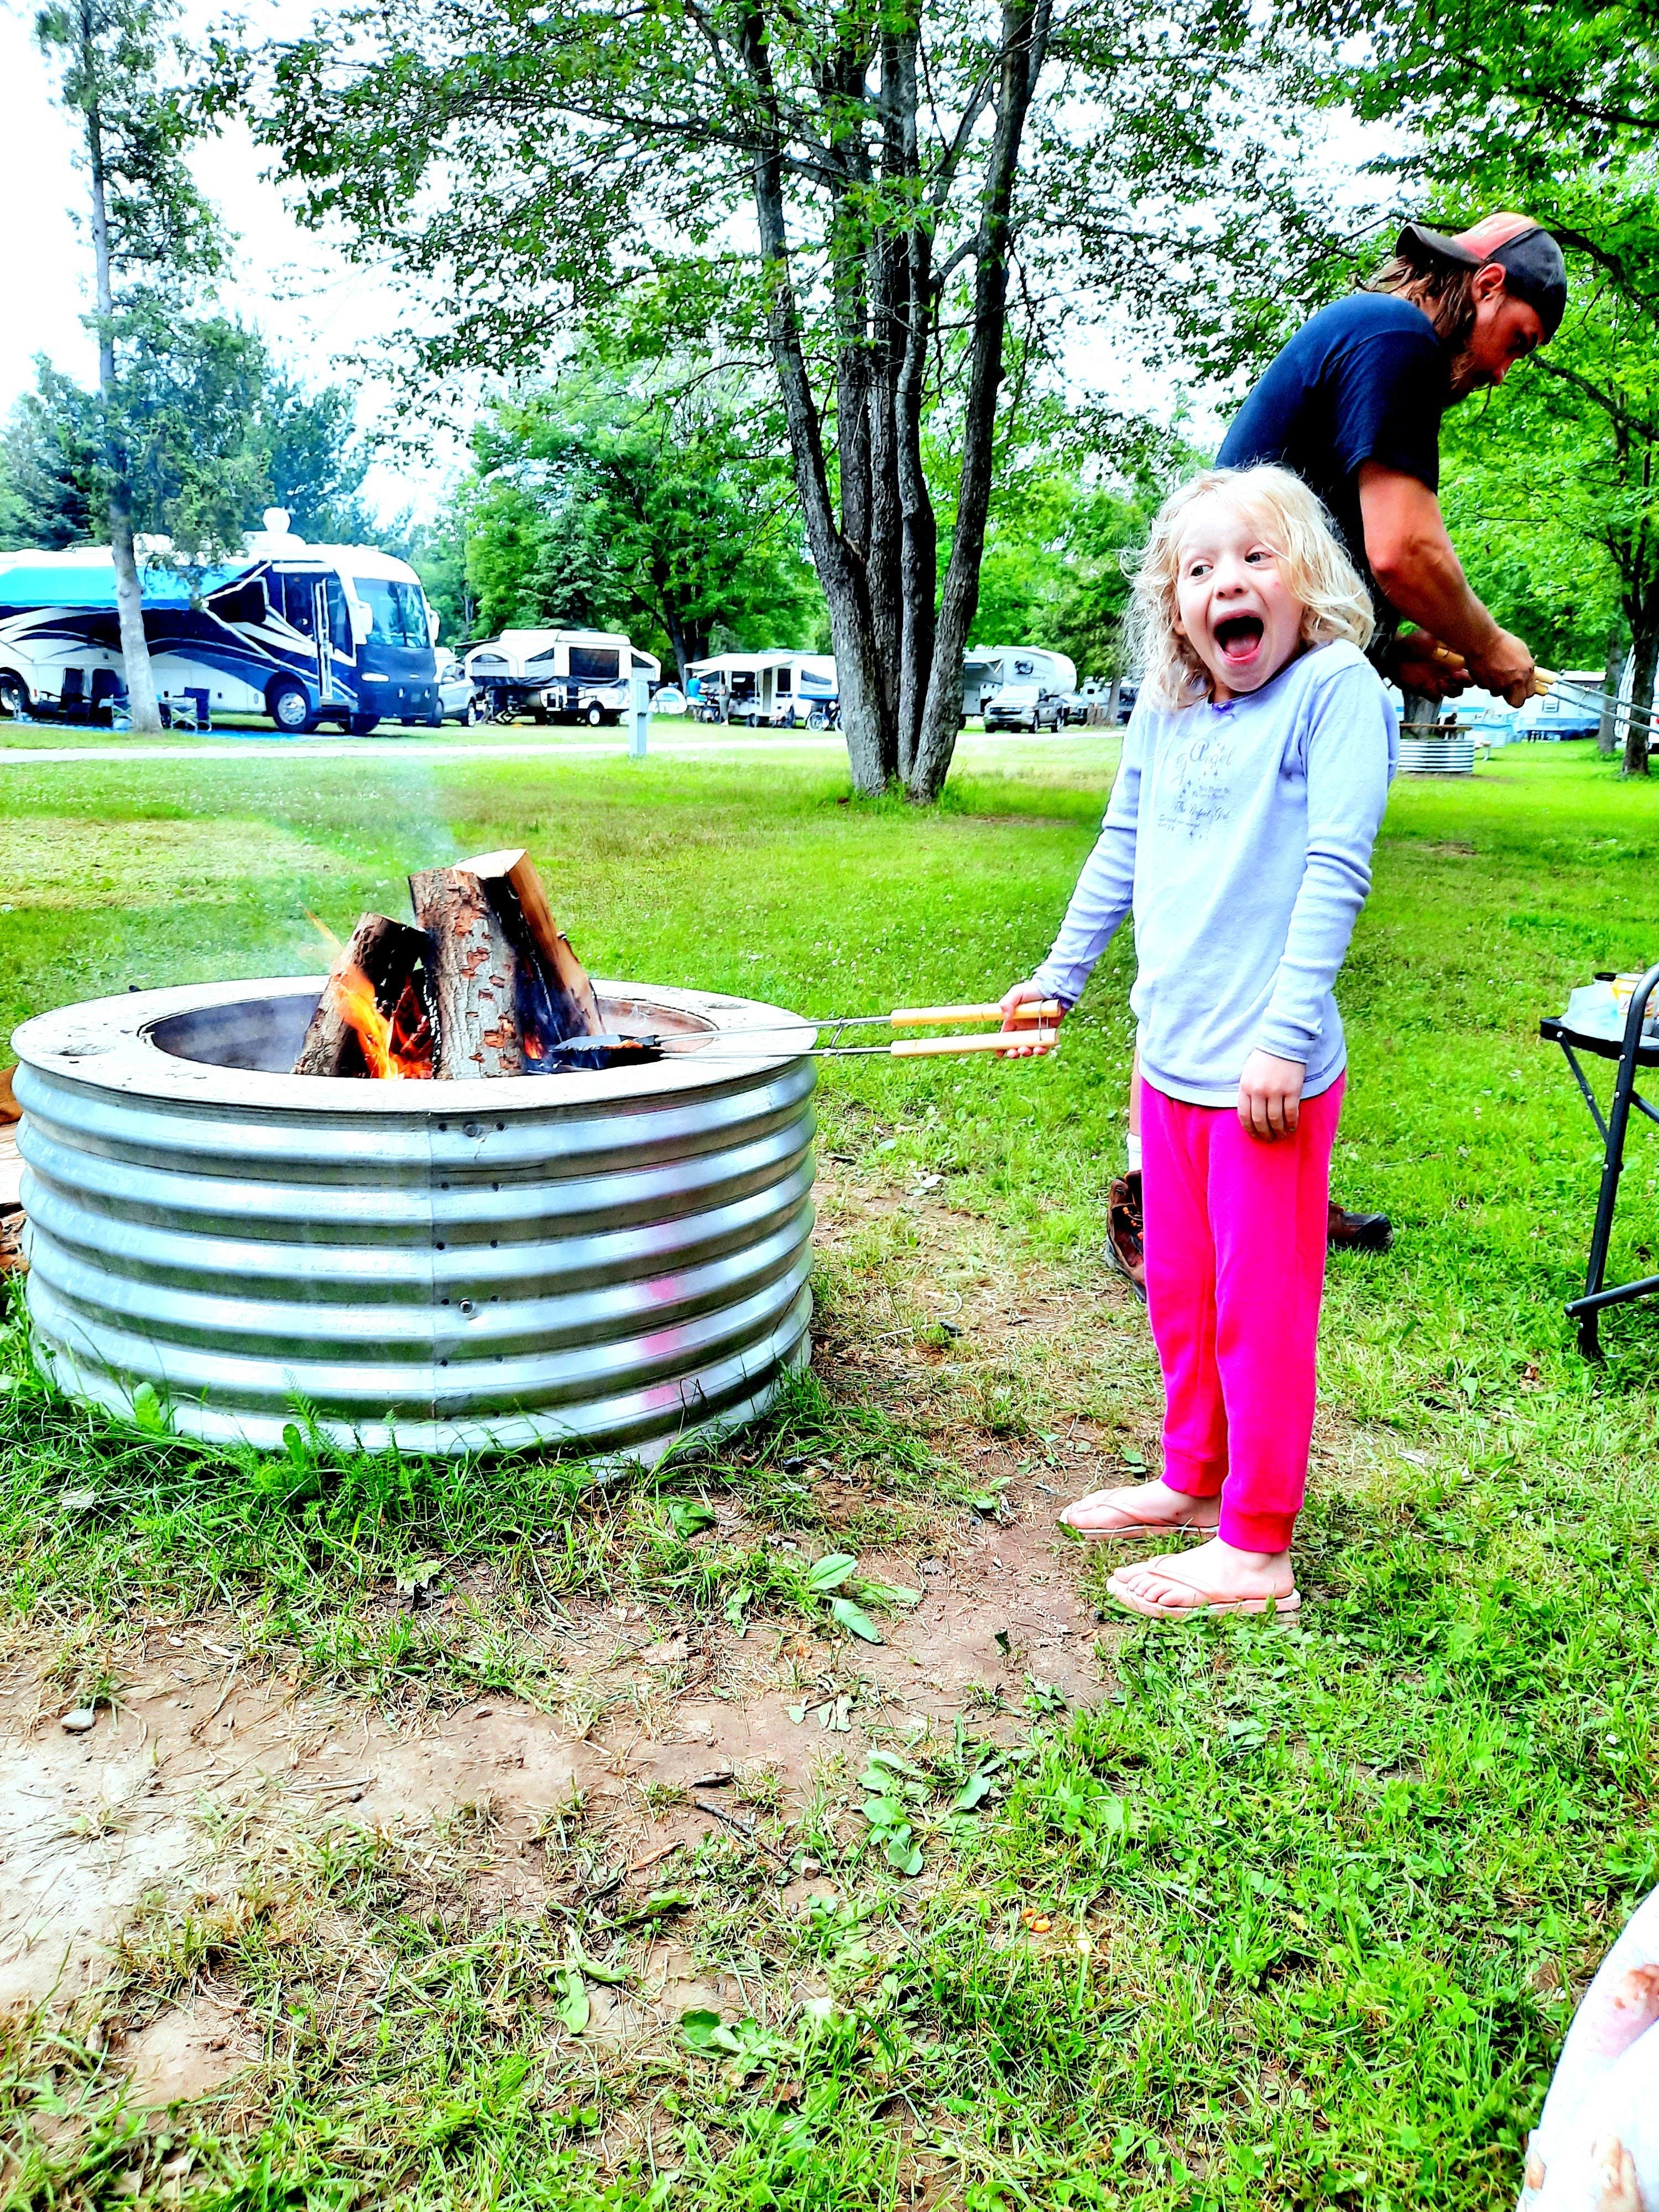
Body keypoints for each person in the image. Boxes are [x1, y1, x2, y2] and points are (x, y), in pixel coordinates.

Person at [1104, 213, 1569, 1290]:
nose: (1506, 370)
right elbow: (1404, 549)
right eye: (1521, 337)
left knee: (1282, 927)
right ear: (1485, 285)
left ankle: (1282, 1180)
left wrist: (1399, 656)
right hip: (1227, 688)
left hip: (1260, 683)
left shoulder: (1372, 350)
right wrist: (1490, 649)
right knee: (1214, 926)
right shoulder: (1397, 341)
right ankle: (1149, 1197)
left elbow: (1337, 576)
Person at [1000, 465, 1395, 1616]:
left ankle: (1258, 1546)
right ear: (1174, 607)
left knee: (1259, 1305)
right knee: (1179, 1285)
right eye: (1199, 568)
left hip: (1266, 1076)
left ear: (1307, 576)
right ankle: (1192, 1475)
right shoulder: (1170, 707)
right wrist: (1058, 978)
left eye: (1255, 558)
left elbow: (1336, 865)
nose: (1228, 582)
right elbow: (1121, 843)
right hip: (1168, 1055)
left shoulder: (1336, 689)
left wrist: (1284, 1031)